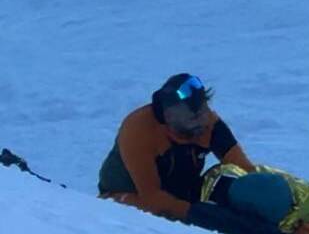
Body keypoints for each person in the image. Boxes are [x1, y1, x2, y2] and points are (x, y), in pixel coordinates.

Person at [99, 73, 254, 220]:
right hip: (131, 195)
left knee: (234, 193)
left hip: (182, 191)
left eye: (205, 110)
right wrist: (198, 215)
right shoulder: (139, 129)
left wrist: (256, 193)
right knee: (155, 213)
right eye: (195, 117)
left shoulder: (208, 122)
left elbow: (244, 168)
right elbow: (151, 196)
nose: (205, 121)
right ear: (170, 117)